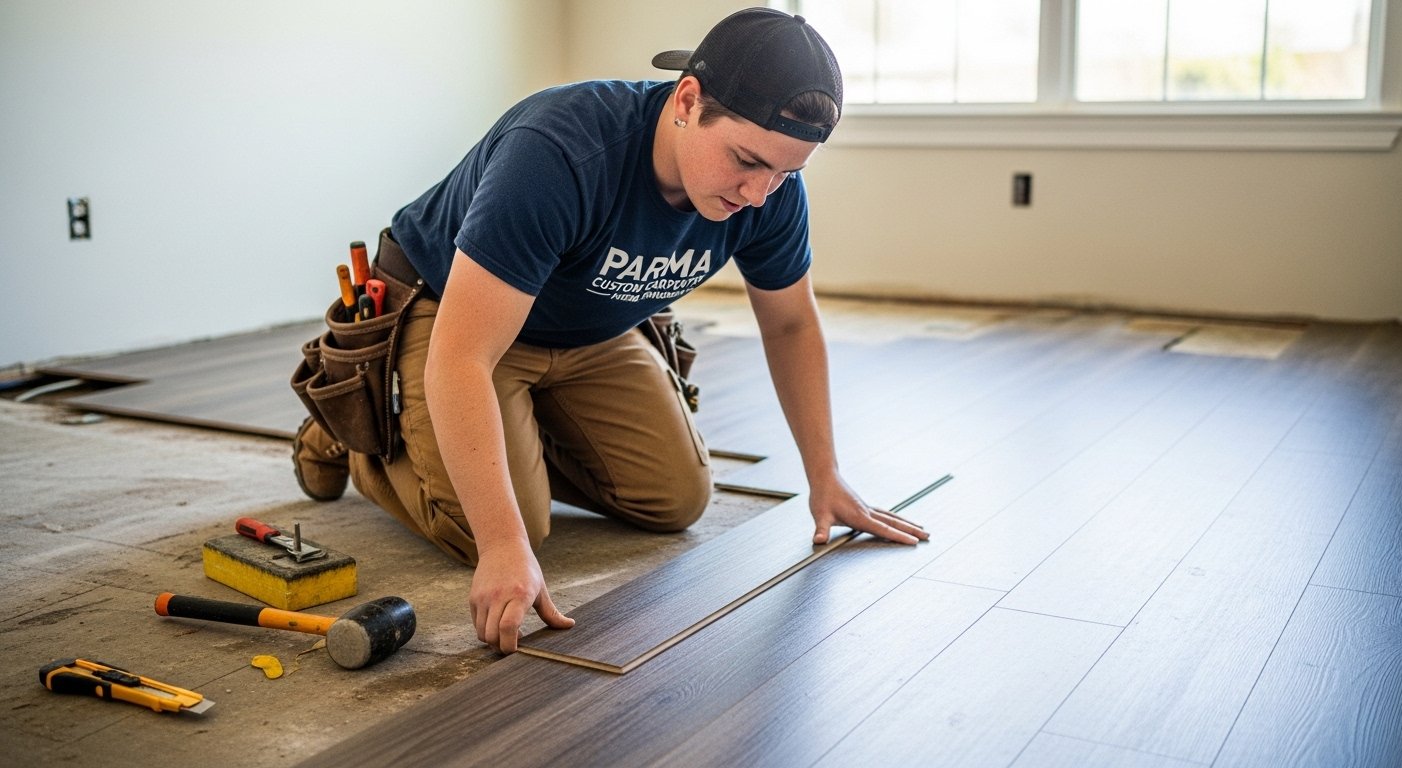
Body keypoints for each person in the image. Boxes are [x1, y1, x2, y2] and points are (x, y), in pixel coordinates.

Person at [292, 7, 928, 654]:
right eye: (746, 160)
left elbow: (791, 324)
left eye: (786, 172)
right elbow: (462, 358)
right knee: (496, 528)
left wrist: (826, 475)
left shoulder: (770, 192)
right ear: (688, 100)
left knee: (675, 500)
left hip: (591, 327)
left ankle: (515, 433)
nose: (759, 193)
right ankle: (356, 434)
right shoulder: (559, 152)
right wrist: (504, 543)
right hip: (455, 313)